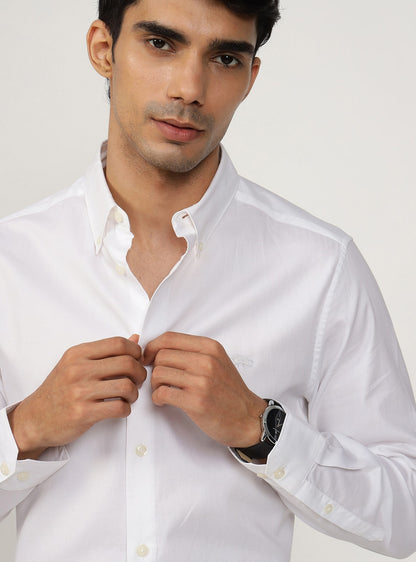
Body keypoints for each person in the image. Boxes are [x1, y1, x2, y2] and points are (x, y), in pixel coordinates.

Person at [0, 0, 415, 560]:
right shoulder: (10, 260)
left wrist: (262, 430)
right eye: (160, 44)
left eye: (224, 58)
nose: (190, 89)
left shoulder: (321, 265)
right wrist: (24, 429)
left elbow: (406, 513)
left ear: (250, 78)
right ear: (103, 49)